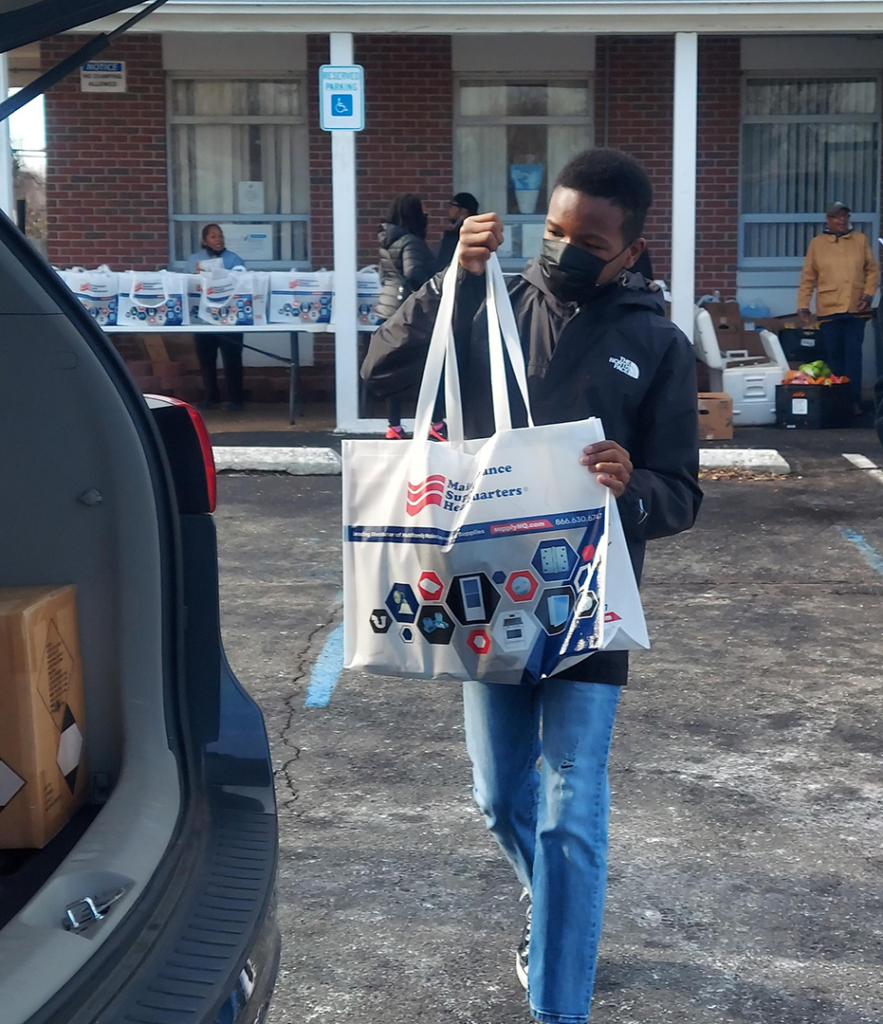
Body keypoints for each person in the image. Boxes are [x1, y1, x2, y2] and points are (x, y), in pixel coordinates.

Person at [361, 148, 702, 1023]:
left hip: (585, 602)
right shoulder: (485, 301)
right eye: (553, 230)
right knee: (497, 797)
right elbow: (381, 377)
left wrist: (634, 483)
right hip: (482, 591)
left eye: (588, 238)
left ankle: (559, 1003)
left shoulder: (654, 343)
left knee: (567, 809)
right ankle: (552, 907)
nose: (564, 249)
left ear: (629, 251)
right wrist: (445, 282)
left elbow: (680, 494)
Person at [797, 201, 879, 417]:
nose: (841, 220)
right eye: (836, 217)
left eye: (844, 216)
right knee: (833, 356)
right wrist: (803, 304)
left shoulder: (860, 240)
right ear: (828, 220)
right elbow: (808, 276)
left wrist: (868, 295)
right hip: (829, 309)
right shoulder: (817, 244)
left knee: (853, 356)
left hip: (856, 307)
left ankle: (853, 401)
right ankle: (835, 402)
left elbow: (872, 270)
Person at [375, 194, 438, 439]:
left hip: (387, 311)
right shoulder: (410, 241)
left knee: (394, 371)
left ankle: (394, 426)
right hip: (408, 315)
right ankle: (435, 422)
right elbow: (415, 274)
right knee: (429, 367)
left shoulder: (387, 241)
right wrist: (430, 293)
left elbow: (384, 276)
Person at [186, 223, 247, 411]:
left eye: (220, 236)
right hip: (203, 319)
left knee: (232, 360)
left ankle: (236, 400)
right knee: (206, 360)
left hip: (229, 318)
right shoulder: (194, 260)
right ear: (204, 240)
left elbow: (243, 281)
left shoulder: (234, 259)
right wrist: (196, 275)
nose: (218, 240)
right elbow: (187, 284)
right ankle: (211, 398)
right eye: (213, 236)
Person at [435, 191, 480, 271]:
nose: (448, 209)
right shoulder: (477, 232)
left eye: (452, 206)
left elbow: (443, 264)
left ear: (463, 210)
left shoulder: (460, 235)